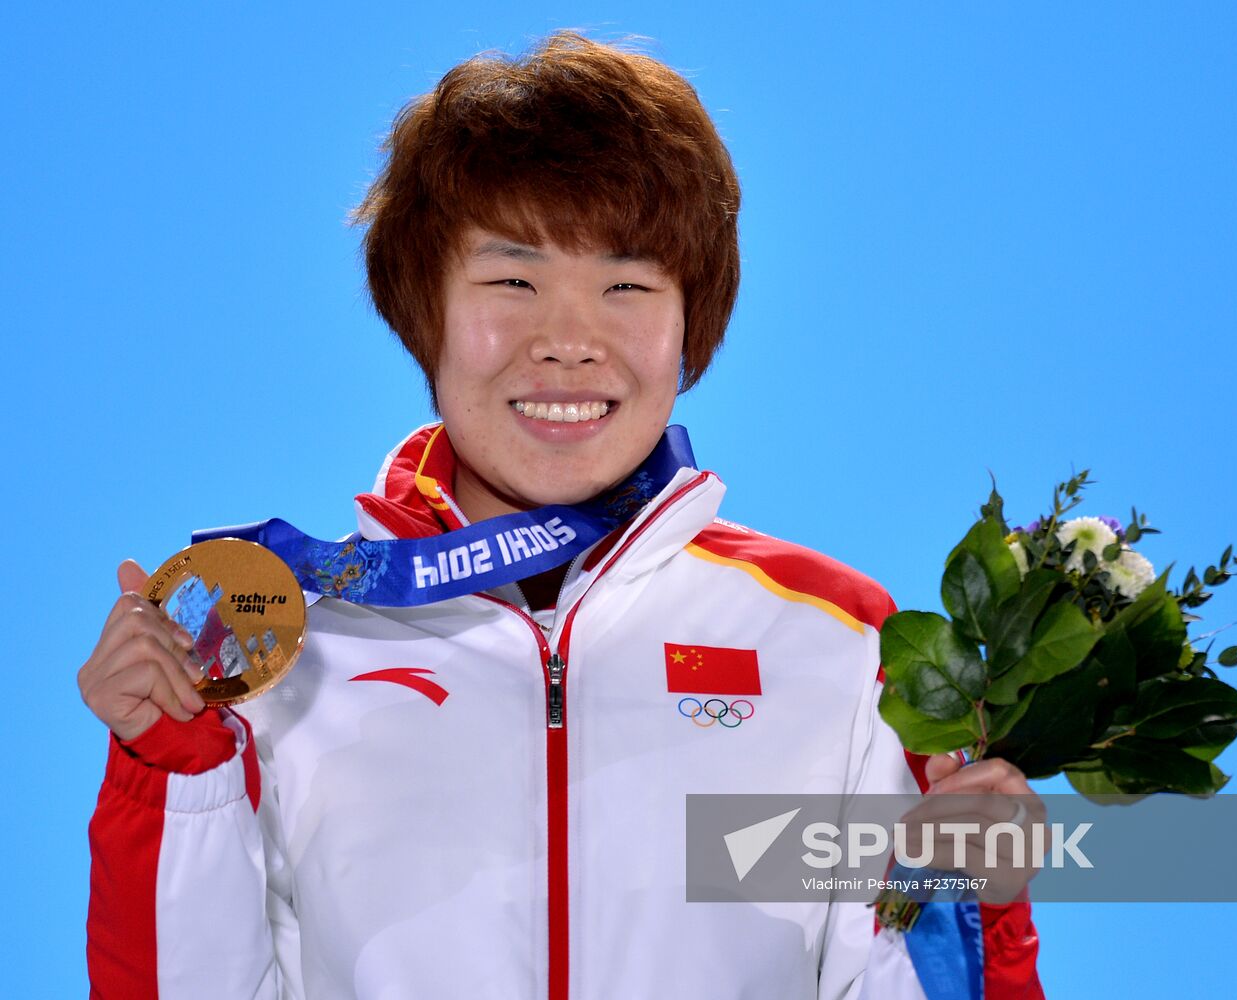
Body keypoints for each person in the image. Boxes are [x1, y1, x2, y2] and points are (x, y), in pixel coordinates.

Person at [80, 32, 1045, 999]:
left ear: (689, 325)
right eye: (511, 280)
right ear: (425, 309)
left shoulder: (835, 641)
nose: (571, 342)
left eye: (627, 285)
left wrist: (963, 893)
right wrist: (172, 766)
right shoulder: (286, 648)